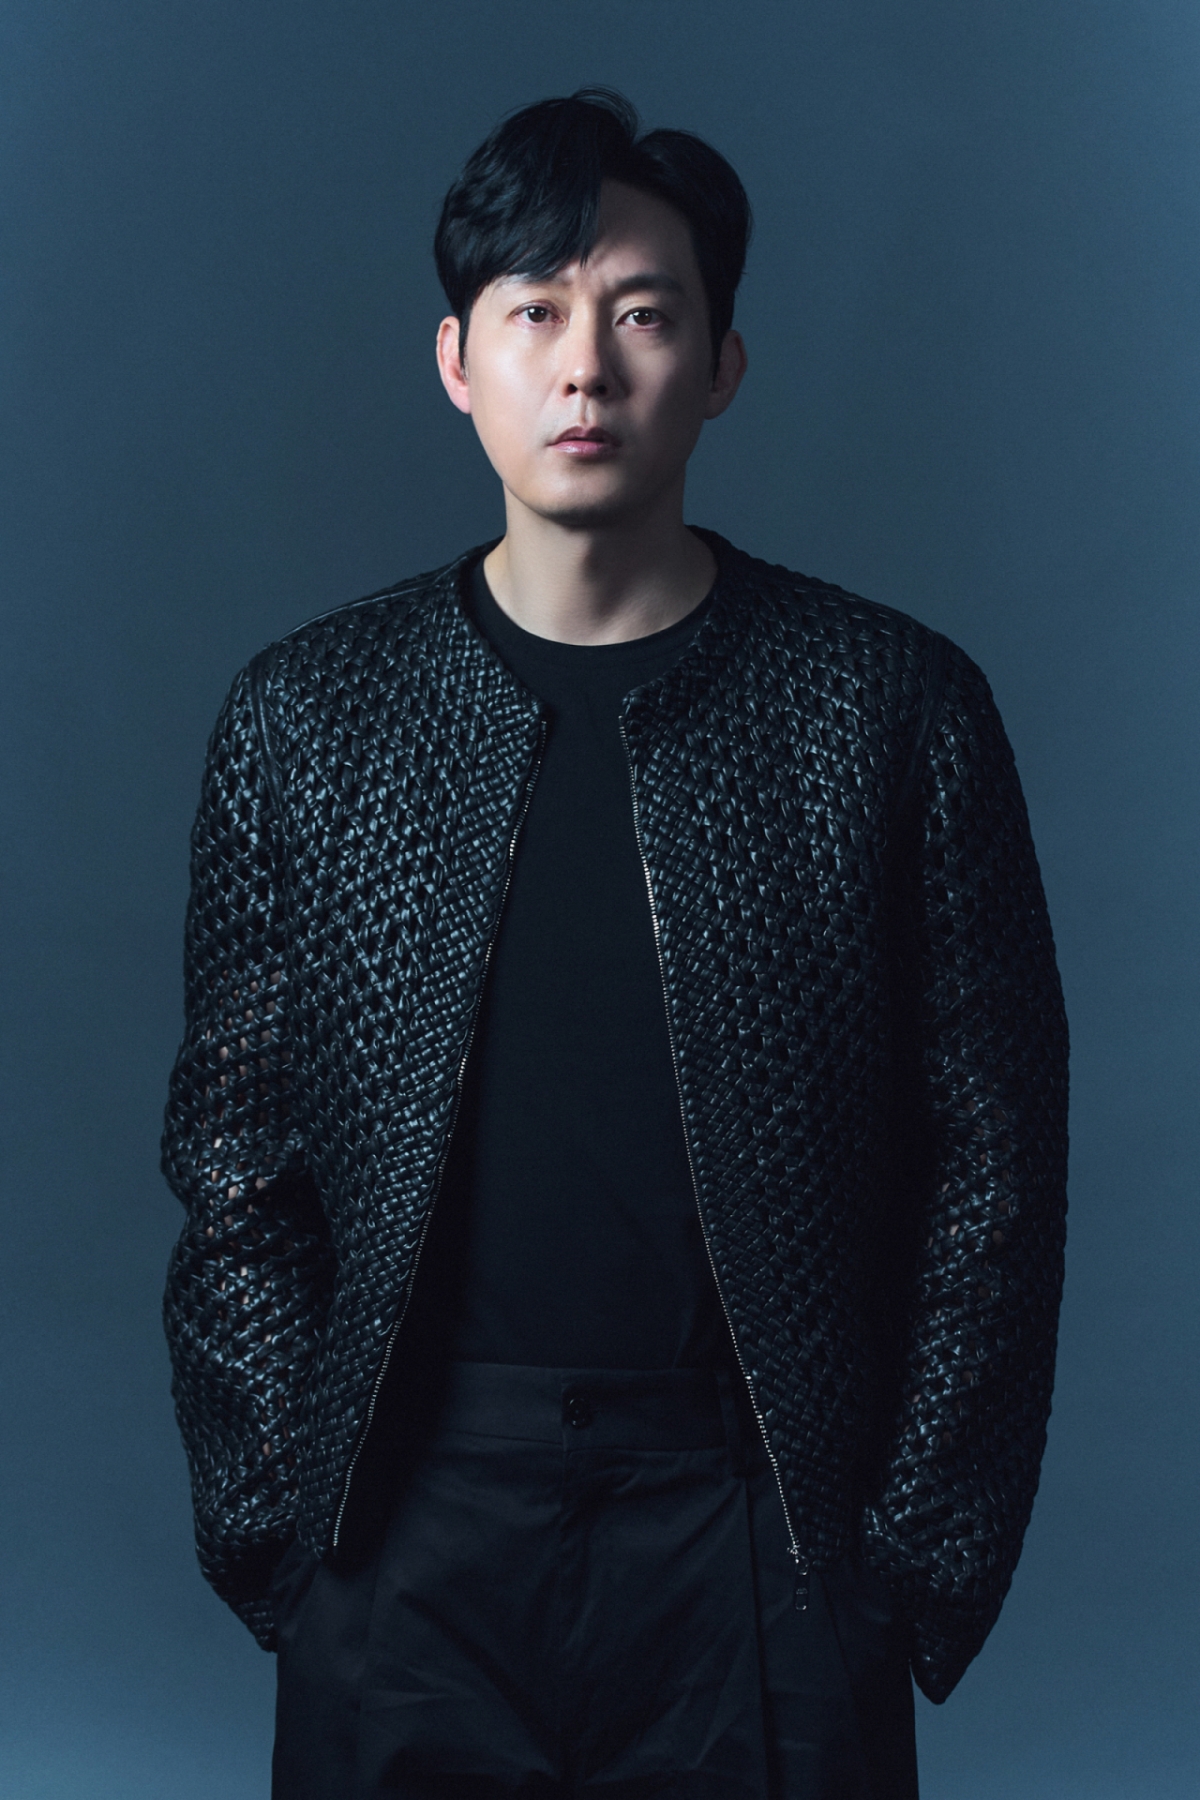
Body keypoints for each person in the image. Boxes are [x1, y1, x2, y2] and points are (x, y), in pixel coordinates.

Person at [162, 89, 1068, 1799]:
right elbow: (233, 1167)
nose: (586, 368)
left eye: (644, 315)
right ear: (458, 360)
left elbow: (996, 1167)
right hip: (408, 1524)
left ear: (721, 366)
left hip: (760, 1525)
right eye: (536, 313)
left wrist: (901, 1566)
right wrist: (281, 1524)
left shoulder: (892, 708)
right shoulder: (307, 719)